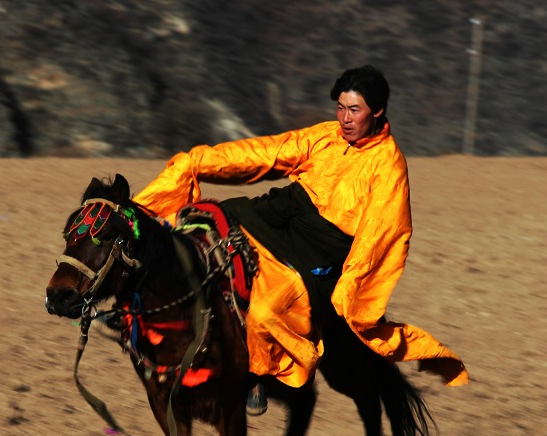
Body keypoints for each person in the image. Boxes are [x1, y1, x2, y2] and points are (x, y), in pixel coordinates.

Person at [134, 65, 468, 415]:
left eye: (354, 110)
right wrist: (201, 161)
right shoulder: (325, 136)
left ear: (378, 110)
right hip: (276, 214)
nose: (345, 118)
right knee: (195, 233)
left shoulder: (389, 168)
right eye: (340, 107)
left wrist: (349, 290)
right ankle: (137, 302)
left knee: (264, 312)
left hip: (318, 251)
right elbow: (268, 153)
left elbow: (380, 238)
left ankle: (257, 375)